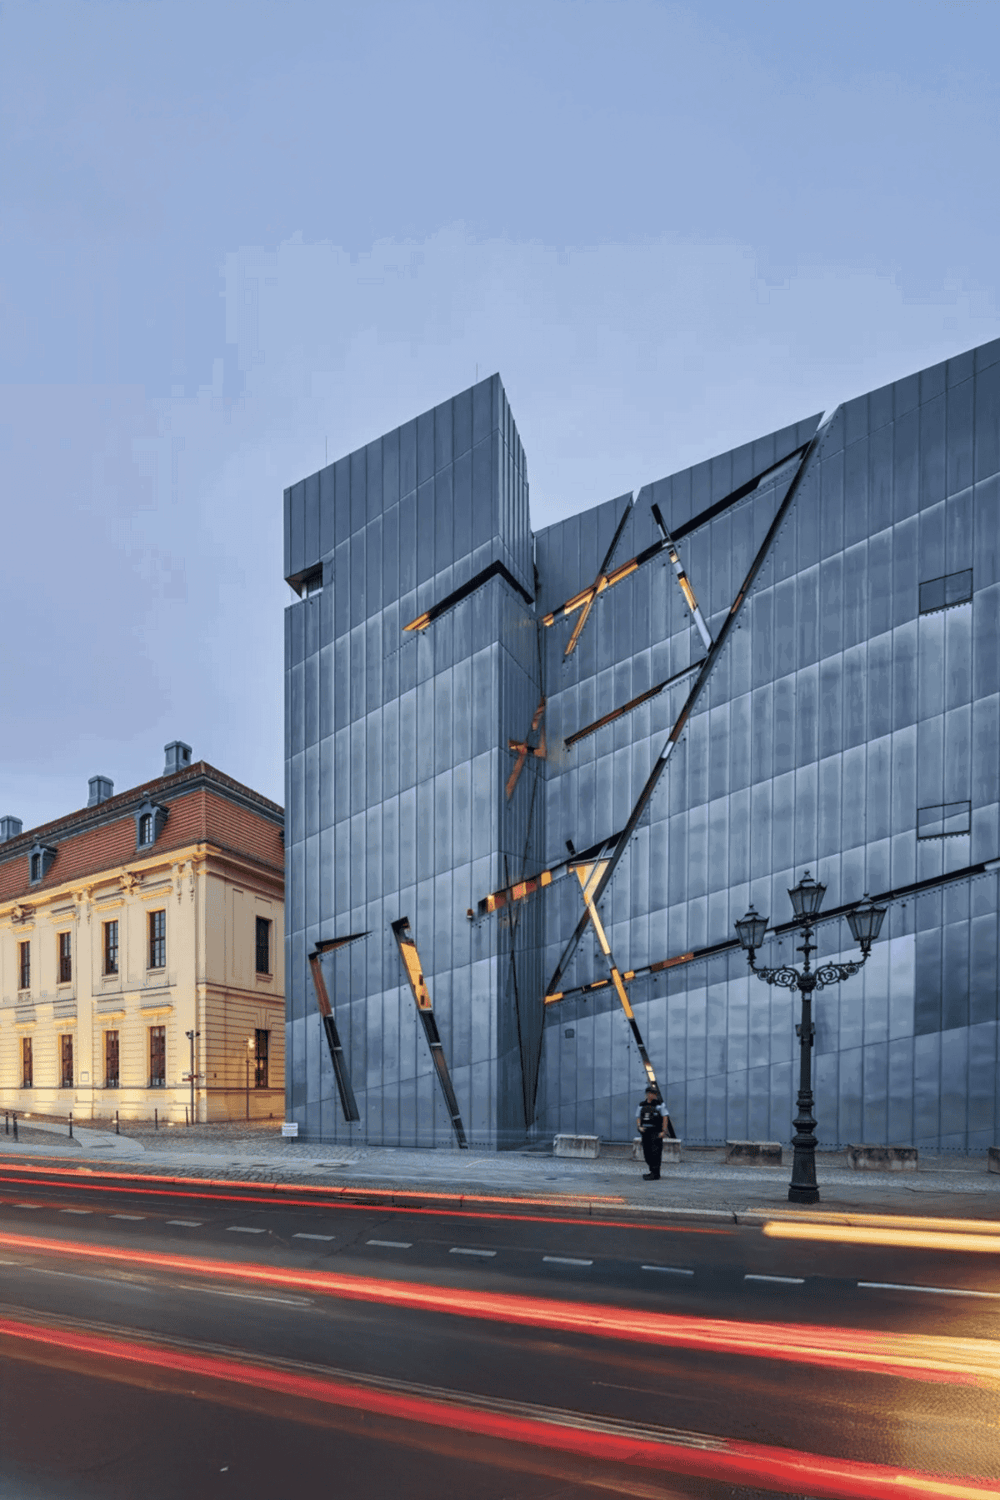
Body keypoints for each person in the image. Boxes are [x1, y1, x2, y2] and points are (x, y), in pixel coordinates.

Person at [636, 1083, 674, 1179]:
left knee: (655, 1152)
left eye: (655, 1093)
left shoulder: (660, 1105)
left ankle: (655, 1173)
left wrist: (664, 1131)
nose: (654, 1095)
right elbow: (638, 1117)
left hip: (656, 1131)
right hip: (645, 1131)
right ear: (648, 1094)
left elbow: (665, 1117)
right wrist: (639, 1127)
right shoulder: (642, 1105)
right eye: (652, 1093)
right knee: (647, 1153)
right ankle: (651, 1171)